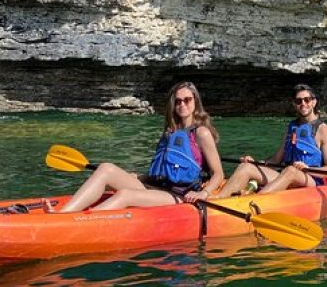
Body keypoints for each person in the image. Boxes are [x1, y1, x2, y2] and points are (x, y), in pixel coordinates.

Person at [55, 81, 224, 212]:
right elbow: (163, 171)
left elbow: (218, 174)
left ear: (195, 102)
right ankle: (64, 214)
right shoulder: (171, 132)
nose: (182, 104)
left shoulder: (202, 133)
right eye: (178, 101)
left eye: (187, 100)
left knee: (125, 195)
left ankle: (82, 222)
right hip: (155, 187)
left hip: (178, 195)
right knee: (106, 168)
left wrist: (204, 193)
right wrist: (140, 177)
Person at [217, 84, 327, 196]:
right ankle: (219, 200)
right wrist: (255, 163)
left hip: (310, 179)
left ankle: (254, 200)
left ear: (314, 102)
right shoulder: (292, 127)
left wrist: (307, 168)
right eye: (298, 101)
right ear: (294, 104)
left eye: (307, 100)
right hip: (286, 175)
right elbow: (276, 160)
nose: (303, 104)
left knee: (291, 171)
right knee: (246, 167)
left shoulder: (324, 130)